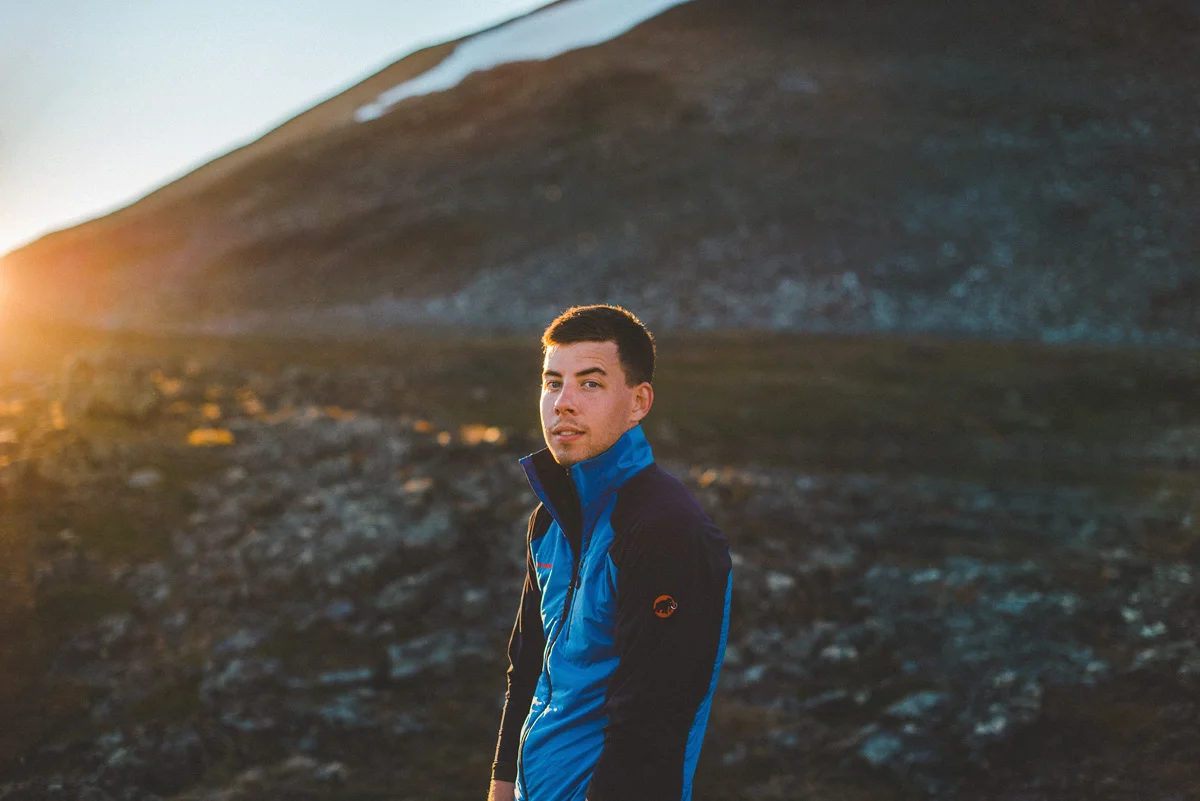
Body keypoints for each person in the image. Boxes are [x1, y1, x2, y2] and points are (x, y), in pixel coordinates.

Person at [488, 304, 733, 801]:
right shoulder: (550, 519)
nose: (563, 404)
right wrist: (501, 784)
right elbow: (528, 665)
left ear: (639, 402)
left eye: (590, 383)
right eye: (553, 383)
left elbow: (653, 718)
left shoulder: (666, 530)